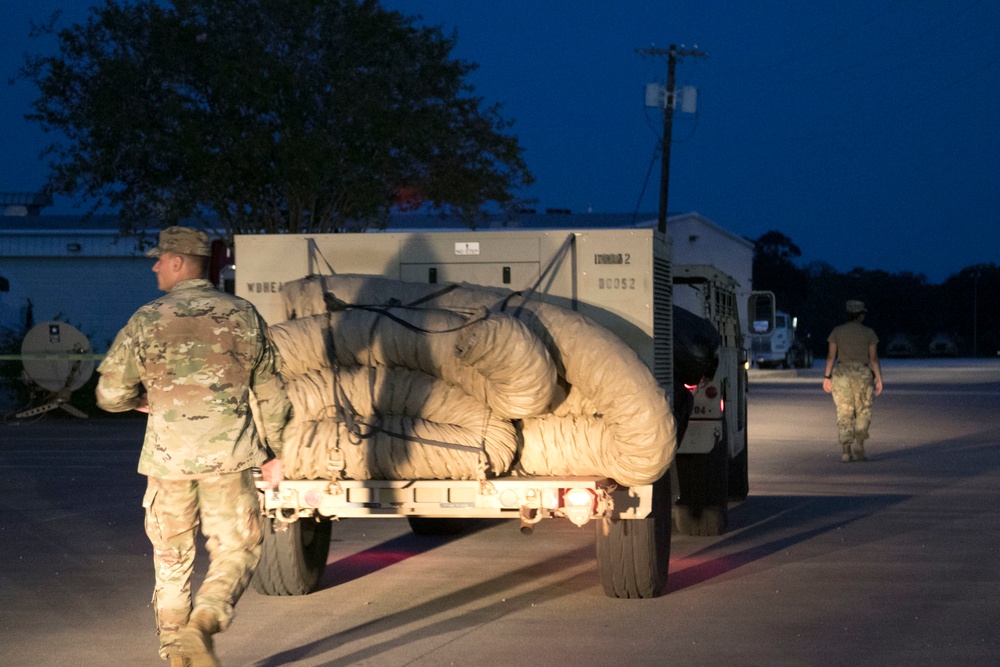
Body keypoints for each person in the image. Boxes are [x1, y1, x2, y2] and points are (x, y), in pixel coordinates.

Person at [96, 226, 291, 667]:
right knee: (236, 549)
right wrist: (277, 452)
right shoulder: (243, 315)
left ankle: (175, 653)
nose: (155, 265)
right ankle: (202, 624)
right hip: (230, 460)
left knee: (171, 559)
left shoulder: (147, 318)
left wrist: (142, 401)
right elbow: (272, 394)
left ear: (180, 263)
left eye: (161, 258)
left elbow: (108, 394)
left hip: (167, 463)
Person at [822, 299, 883, 462]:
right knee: (863, 411)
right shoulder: (869, 333)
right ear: (861, 315)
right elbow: (873, 358)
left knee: (844, 412)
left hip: (842, 375)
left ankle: (846, 451)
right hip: (862, 374)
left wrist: (827, 377)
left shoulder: (837, 331)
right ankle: (860, 444)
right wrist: (878, 378)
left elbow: (831, 356)